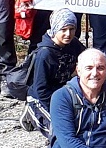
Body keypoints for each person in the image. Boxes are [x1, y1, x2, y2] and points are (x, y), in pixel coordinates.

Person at [24, 8, 86, 137]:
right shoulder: (44, 54)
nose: (68, 34)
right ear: (54, 29)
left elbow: (88, 58)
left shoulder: (74, 43)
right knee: (60, 133)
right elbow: (41, 89)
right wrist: (56, 110)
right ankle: (31, 111)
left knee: (82, 126)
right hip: (42, 98)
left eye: (72, 29)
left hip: (65, 93)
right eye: (63, 30)